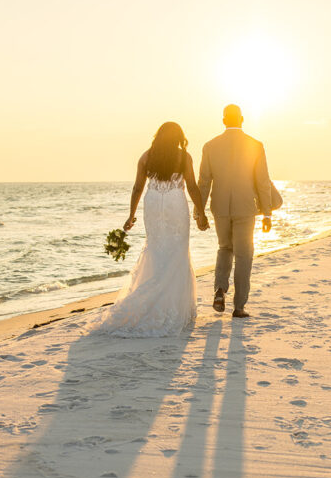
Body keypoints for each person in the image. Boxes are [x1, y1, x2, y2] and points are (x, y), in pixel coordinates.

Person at [91, 122, 207, 337]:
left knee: (155, 249)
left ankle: (152, 298)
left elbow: (137, 187)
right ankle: (174, 306)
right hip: (174, 203)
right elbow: (191, 186)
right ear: (179, 137)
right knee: (177, 251)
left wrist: (131, 215)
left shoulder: (147, 156)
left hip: (153, 203)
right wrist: (201, 211)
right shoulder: (184, 157)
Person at [197, 104, 274, 318]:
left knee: (224, 248)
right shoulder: (255, 145)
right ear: (242, 119)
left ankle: (220, 289)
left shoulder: (210, 146)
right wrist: (267, 213)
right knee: (244, 255)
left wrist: (199, 212)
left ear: (223, 121)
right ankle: (239, 307)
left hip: (220, 207)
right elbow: (263, 181)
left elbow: (204, 182)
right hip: (245, 207)